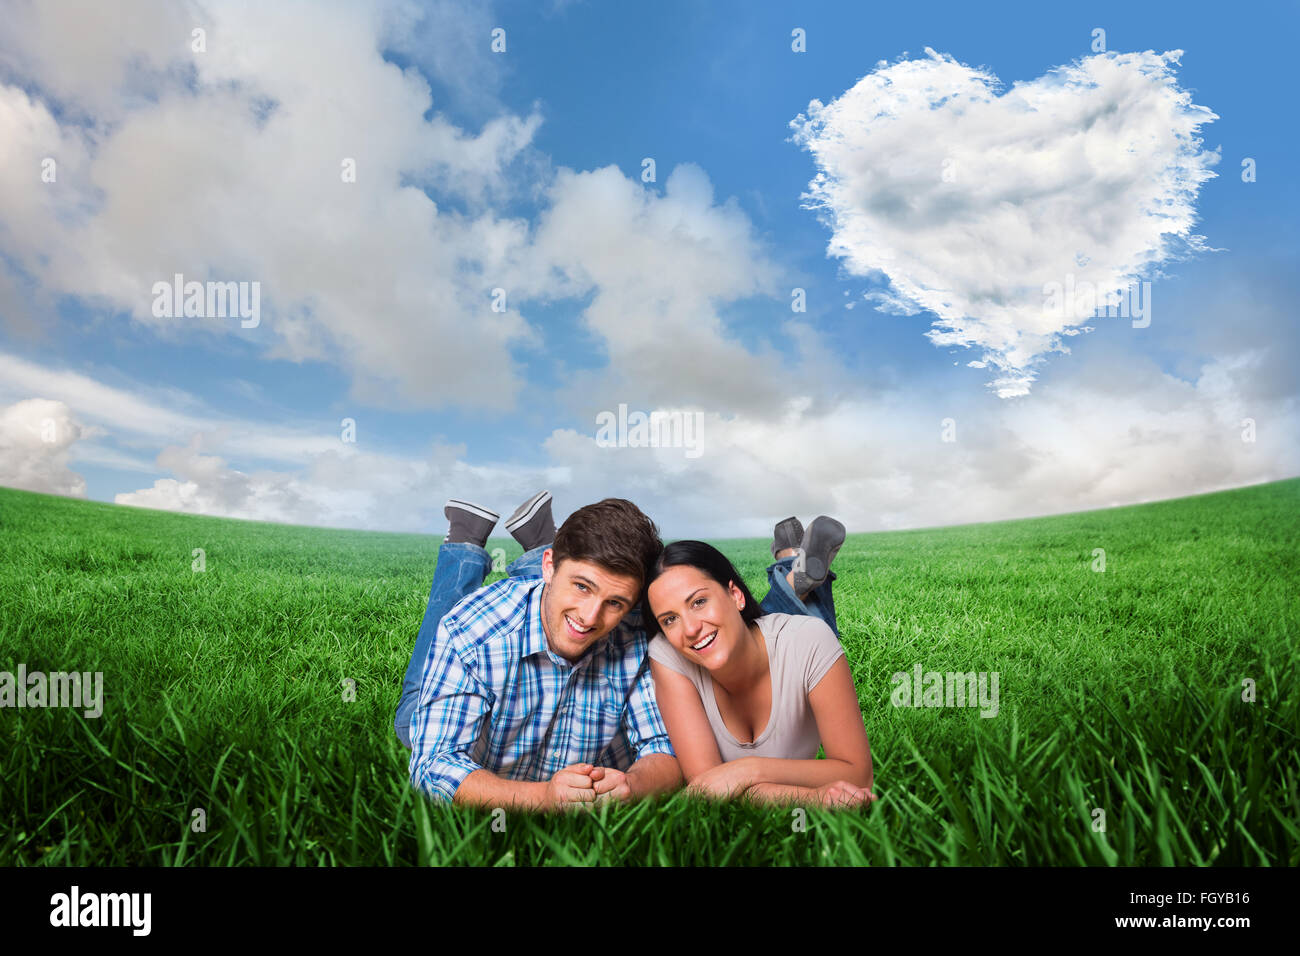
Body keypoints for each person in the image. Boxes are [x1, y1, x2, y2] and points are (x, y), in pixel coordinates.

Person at [400, 491, 681, 810]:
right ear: (550, 565)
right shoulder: (473, 631)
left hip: (543, 593)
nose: (591, 617)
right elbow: (434, 767)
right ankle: (470, 538)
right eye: (582, 586)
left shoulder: (637, 636)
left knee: (561, 612)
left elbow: (665, 750)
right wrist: (543, 797)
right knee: (409, 720)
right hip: (496, 635)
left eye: (614, 603)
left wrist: (633, 784)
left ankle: (541, 543)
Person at [646, 516, 875, 808]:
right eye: (669, 619)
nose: (689, 629)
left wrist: (749, 769)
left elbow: (858, 776)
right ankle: (790, 565)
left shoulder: (808, 640)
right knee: (757, 625)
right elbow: (708, 787)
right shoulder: (668, 653)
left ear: (736, 595)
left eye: (698, 601)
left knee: (808, 628)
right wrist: (812, 799)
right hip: (753, 634)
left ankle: (790, 564)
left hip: (788, 641)